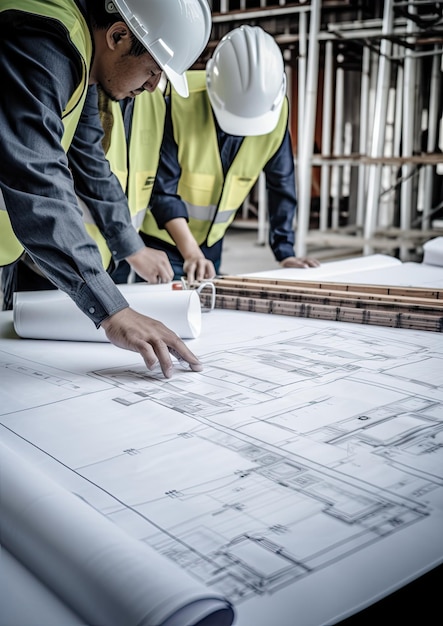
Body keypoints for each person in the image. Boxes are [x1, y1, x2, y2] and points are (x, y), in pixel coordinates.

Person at [0, 0, 212, 378]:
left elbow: (90, 162)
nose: (152, 87)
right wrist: (113, 309)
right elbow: (36, 175)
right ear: (117, 35)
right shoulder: (44, 40)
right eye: (152, 70)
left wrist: (129, 245)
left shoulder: (82, 65)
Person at [108, 25, 320, 285]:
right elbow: (162, 189)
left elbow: (282, 184)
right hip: (164, 238)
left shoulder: (273, 113)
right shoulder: (178, 99)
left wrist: (285, 251)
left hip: (211, 243)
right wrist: (191, 252)